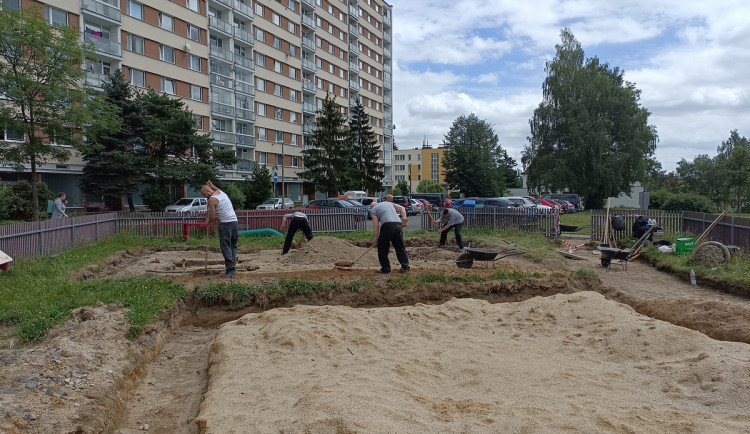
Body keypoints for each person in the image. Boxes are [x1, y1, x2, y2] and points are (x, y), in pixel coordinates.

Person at [201, 180, 238, 278]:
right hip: (234, 221)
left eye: (204, 195)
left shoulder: (211, 200)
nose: (204, 197)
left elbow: (213, 217)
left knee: (225, 246)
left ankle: (231, 269)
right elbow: (216, 189)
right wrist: (212, 185)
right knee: (232, 245)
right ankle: (232, 267)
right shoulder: (221, 193)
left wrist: (207, 221)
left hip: (225, 224)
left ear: (208, 192)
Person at [370, 200, 409, 274]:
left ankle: (386, 268)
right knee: (400, 247)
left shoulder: (373, 209)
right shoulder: (389, 203)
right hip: (398, 224)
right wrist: (404, 221)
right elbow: (402, 208)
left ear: (371, 206)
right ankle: (405, 267)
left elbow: (376, 225)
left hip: (387, 226)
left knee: (382, 248)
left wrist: (375, 240)